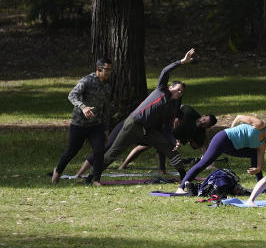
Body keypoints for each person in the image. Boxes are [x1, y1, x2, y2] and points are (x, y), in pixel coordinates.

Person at [99, 48, 196, 180]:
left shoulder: (173, 107)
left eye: (181, 92)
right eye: (178, 89)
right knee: (114, 152)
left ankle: (184, 176)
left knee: (169, 147)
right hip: (133, 124)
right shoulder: (162, 90)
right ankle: (94, 177)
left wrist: (174, 142)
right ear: (170, 88)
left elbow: (167, 128)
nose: (179, 93)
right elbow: (165, 71)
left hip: (149, 130)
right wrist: (182, 62)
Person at [175, 115, 266, 194]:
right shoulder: (260, 125)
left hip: (232, 147)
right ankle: (181, 187)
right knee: (204, 163)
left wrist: (258, 168)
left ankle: (261, 185)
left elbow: (260, 161)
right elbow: (239, 117)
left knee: (254, 153)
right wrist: (231, 128)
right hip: (223, 138)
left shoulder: (262, 144)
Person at [51, 59, 114, 185]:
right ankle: (57, 171)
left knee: (99, 151)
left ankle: (96, 180)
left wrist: (106, 129)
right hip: (79, 124)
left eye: (110, 70)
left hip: (96, 125)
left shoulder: (107, 86)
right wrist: (83, 107)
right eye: (107, 69)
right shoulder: (87, 81)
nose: (109, 72)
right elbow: (72, 95)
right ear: (99, 69)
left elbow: (106, 109)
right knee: (72, 151)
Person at [117, 105, 217, 172]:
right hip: (163, 129)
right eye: (204, 119)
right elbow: (178, 106)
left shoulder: (200, 133)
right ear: (203, 116)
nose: (202, 122)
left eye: (205, 123)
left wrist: (209, 163)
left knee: (164, 149)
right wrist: (176, 116)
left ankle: (162, 171)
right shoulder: (190, 112)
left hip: (171, 139)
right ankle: (124, 165)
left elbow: (201, 147)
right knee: (143, 147)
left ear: (207, 127)